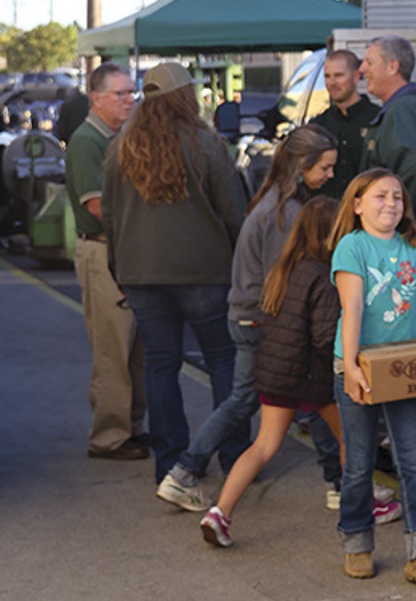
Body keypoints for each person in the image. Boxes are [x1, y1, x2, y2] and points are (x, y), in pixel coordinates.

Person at [153, 125, 399, 522]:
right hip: (259, 322)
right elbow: (287, 281)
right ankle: (186, 470)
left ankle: (339, 483)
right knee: (250, 401)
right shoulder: (286, 214)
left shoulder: (274, 201)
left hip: (255, 318)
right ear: (302, 167)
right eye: (325, 168)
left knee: (309, 402)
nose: (330, 176)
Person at [101, 62, 244, 484]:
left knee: (161, 366)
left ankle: (171, 465)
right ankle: (236, 458)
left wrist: (119, 270)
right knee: (224, 362)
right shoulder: (205, 143)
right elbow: (234, 213)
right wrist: (244, 269)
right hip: (205, 272)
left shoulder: (122, 146)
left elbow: (108, 216)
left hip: (141, 275)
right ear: (186, 96)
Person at [330, 168, 416, 586]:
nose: (390, 204)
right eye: (379, 197)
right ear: (357, 206)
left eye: (396, 197)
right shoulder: (351, 248)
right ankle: (357, 543)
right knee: (359, 463)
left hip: (405, 369)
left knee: (411, 461)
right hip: (359, 364)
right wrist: (352, 365)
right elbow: (351, 308)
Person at [199, 196, 348, 547]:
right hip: (312, 378)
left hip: (277, 372)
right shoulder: (324, 276)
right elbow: (326, 336)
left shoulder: (285, 268)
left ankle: (219, 512)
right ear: (330, 234)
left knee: (263, 446)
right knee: (352, 440)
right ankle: (357, 503)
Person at [64, 62, 147, 461]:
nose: (129, 100)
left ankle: (131, 425)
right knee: (113, 348)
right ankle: (109, 436)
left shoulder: (115, 136)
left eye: (132, 93)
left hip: (120, 248)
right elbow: (97, 206)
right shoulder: (87, 141)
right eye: (121, 94)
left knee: (133, 349)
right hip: (101, 250)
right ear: (96, 98)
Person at [358, 35, 416, 256]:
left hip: (408, 237)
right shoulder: (407, 106)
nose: (362, 69)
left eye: (370, 62)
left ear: (392, 67)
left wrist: (389, 221)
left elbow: (413, 167)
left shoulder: (403, 110)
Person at [310, 49, 381, 200]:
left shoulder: (378, 120)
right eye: (327, 76)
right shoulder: (317, 126)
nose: (332, 82)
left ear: (357, 76)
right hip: (326, 216)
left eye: (339, 75)